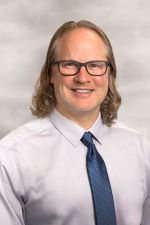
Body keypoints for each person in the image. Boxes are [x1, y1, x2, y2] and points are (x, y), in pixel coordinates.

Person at [0, 20, 150, 225]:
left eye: (95, 65)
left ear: (109, 74)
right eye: (69, 64)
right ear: (50, 74)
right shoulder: (11, 157)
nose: (83, 77)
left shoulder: (141, 150)